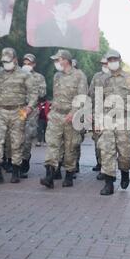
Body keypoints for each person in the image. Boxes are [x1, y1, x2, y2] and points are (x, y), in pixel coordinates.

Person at [0, 48, 38, 184]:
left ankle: (16, 170)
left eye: (8, 61)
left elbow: (33, 93)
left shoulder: (24, 75)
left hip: (18, 111)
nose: (6, 63)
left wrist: (29, 107)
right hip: (0, 110)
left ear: (15, 60)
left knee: (17, 141)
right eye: (4, 61)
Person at [40, 49, 88, 189]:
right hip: (56, 115)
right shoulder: (57, 76)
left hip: (71, 116)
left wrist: (73, 113)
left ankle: (69, 174)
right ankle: (49, 175)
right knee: (52, 144)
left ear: (65, 60)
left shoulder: (79, 76)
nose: (56, 62)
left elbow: (82, 98)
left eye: (58, 59)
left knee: (70, 147)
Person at [98, 49, 130, 195]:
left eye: (114, 59)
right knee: (107, 151)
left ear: (119, 60)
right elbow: (98, 100)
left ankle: (125, 172)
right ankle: (108, 183)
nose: (111, 62)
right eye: (109, 60)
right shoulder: (103, 80)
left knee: (125, 153)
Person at [19, 54, 47, 178]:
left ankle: (24, 160)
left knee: (27, 136)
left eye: (29, 63)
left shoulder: (39, 77)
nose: (27, 65)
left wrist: (31, 82)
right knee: (15, 135)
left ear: (34, 64)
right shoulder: (16, 75)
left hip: (32, 110)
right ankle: (14, 161)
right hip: (19, 109)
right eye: (25, 62)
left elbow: (43, 93)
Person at [88, 57, 110, 173]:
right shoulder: (96, 76)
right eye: (103, 63)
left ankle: (105, 167)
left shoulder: (117, 77)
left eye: (106, 63)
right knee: (97, 140)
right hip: (97, 114)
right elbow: (90, 93)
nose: (104, 65)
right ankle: (100, 162)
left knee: (108, 142)